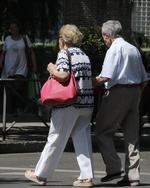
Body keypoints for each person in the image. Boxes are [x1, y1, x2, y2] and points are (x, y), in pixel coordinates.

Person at [24, 24, 95, 187]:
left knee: (55, 137)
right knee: (82, 138)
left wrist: (51, 67)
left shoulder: (64, 53)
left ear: (62, 39)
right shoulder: (83, 54)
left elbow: (63, 75)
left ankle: (40, 174)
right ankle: (87, 176)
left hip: (68, 104)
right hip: (86, 103)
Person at [94, 20, 148, 187]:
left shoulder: (114, 49)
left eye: (104, 38)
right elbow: (144, 79)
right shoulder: (133, 49)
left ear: (107, 35)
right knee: (132, 135)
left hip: (118, 92)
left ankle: (113, 167)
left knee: (102, 131)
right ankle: (133, 175)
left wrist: (87, 83)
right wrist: (137, 93)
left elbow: (105, 76)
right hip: (135, 91)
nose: (104, 41)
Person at [0, 21, 37, 114]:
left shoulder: (24, 38)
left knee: (18, 88)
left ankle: (18, 109)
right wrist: (1, 63)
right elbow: (3, 53)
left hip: (21, 68)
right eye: (11, 28)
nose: (13, 29)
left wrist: (34, 65)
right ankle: (9, 113)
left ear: (18, 28)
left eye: (15, 27)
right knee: (8, 91)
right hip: (8, 69)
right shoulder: (7, 39)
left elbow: (31, 52)